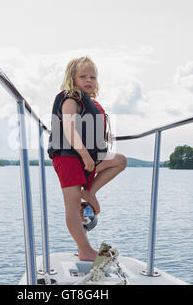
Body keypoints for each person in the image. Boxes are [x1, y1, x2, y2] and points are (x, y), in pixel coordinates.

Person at [47, 56, 127, 261]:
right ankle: (85, 249)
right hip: (69, 156)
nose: (88, 79)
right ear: (72, 78)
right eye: (83, 76)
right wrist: (84, 153)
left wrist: (100, 137)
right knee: (72, 203)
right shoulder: (70, 98)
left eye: (92, 76)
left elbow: (85, 127)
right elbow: (69, 127)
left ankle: (90, 192)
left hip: (87, 156)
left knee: (119, 161)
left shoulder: (90, 102)